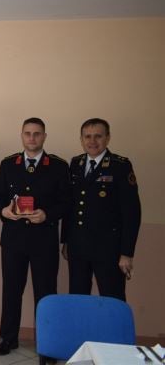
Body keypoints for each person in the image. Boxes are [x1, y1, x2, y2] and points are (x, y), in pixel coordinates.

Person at [0, 118, 70, 358]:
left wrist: (47, 215)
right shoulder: (8, 164)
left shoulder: (58, 166)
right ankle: (8, 338)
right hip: (13, 239)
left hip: (43, 240)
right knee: (11, 291)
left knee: (45, 294)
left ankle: (47, 344)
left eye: (37, 134)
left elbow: (66, 202)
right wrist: (3, 211)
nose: (32, 138)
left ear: (44, 136)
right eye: (28, 133)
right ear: (22, 136)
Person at [62, 118, 141, 301]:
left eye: (98, 136)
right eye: (87, 136)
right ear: (81, 139)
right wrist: (66, 241)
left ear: (107, 138)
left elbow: (132, 212)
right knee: (78, 299)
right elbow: (71, 206)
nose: (92, 141)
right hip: (78, 247)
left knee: (113, 299)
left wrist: (127, 253)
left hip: (109, 249)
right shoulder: (76, 163)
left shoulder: (120, 165)